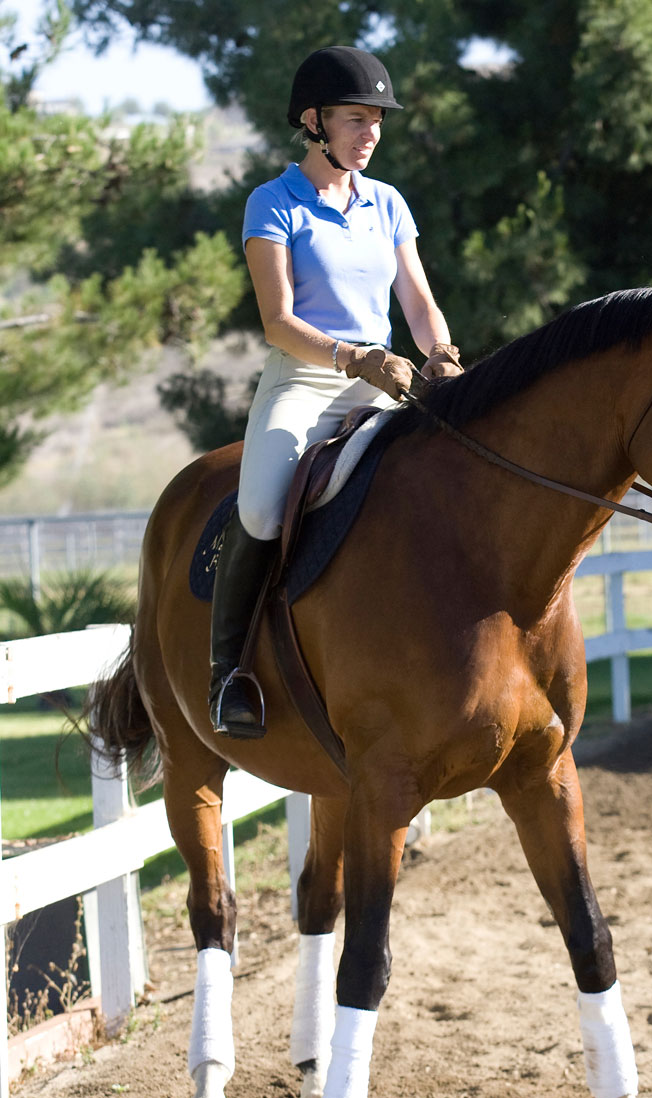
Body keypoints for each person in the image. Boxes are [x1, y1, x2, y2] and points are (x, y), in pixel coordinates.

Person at [209, 45, 462, 740]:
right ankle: (228, 669)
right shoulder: (273, 202)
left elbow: (416, 298)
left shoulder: (388, 204)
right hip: (308, 378)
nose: (372, 133)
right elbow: (278, 321)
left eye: (378, 121)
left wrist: (440, 355)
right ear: (315, 121)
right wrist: (356, 357)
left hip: (387, 379)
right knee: (260, 508)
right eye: (357, 119)